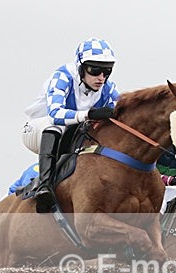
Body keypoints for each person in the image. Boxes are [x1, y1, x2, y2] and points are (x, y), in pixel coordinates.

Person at [21, 37, 120, 212]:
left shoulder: (108, 88)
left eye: (107, 72)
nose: (101, 77)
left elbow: (122, 113)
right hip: (37, 129)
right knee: (57, 125)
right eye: (95, 70)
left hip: (73, 132)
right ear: (81, 67)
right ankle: (44, 186)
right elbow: (55, 114)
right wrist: (89, 114)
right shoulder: (63, 77)